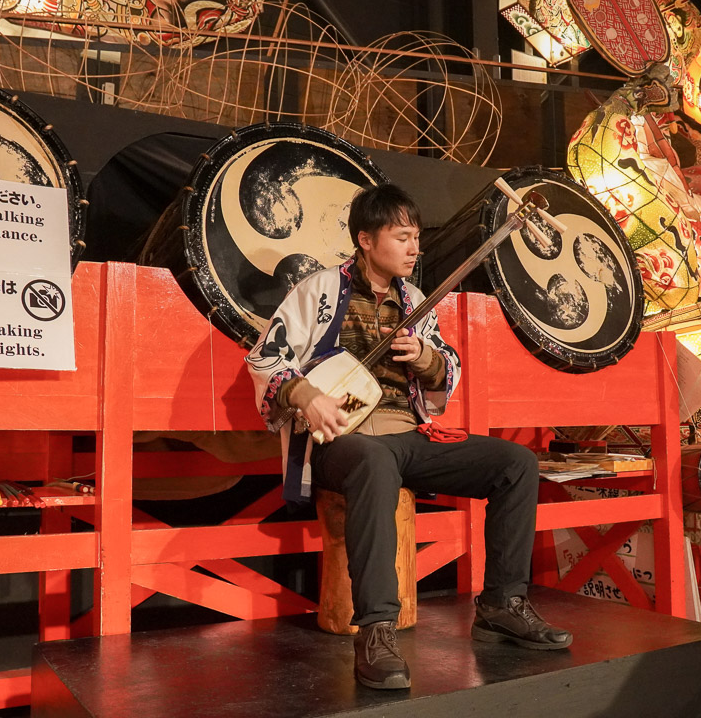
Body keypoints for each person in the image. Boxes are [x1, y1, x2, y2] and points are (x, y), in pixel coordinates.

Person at [245, 183, 572, 691]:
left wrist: (424, 357)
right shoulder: (320, 290)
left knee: (515, 464)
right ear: (366, 240)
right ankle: (376, 629)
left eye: (417, 237)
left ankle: (501, 605)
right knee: (373, 461)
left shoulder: (416, 300)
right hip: (340, 442)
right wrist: (307, 395)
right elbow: (265, 358)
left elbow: (446, 373)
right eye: (402, 237)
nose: (415, 248)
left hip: (409, 436)